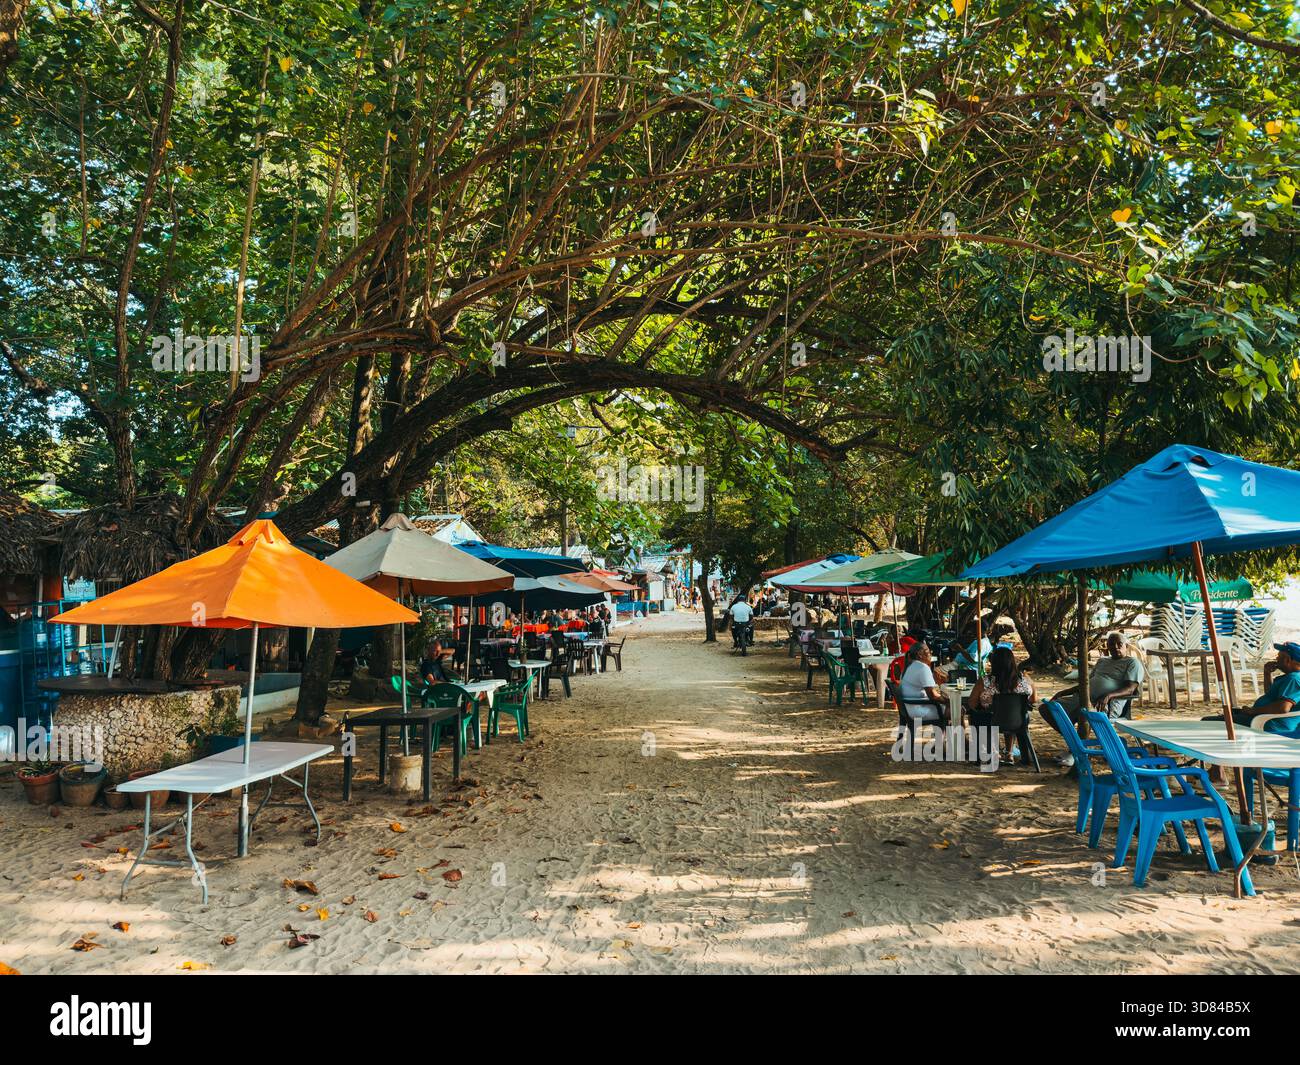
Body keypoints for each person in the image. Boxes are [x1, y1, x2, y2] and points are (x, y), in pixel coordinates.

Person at [1039, 632, 1144, 767]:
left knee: (1083, 713)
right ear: (1107, 647)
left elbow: (1130, 688)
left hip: (1107, 704)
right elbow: (1087, 683)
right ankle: (1076, 744)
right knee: (1048, 708)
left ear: (1126, 646)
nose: (1116, 647)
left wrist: (1108, 695)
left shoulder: (1132, 663)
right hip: (1082, 697)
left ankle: (1076, 752)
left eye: (1119, 644)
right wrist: (1065, 691)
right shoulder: (1103, 661)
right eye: (1112, 644)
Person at [1202, 641, 1300, 731]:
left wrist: (1252, 711)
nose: (1276, 659)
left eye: (1279, 656)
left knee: (1207, 722)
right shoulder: (1289, 677)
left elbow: (1282, 708)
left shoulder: (1293, 679)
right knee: (1226, 715)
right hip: (1263, 718)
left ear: (1287, 660)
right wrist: (1267, 674)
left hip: (1270, 723)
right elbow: (1270, 695)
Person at [966, 645, 1036, 762]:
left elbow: (972, 703)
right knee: (1010, 713)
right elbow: (1033, 699)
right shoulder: (1025, 680)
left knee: (977, 715)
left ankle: (992, 751)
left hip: (991, 721)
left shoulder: (984, 681)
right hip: (1018, 721)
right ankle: (1009, 753)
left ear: (993, 663)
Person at [898, 642, 949, 726]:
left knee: (950, 707)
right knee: (957, 710)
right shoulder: (922, 667)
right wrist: (948, 701)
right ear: (920, 654)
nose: (930, 654)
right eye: (928, 651)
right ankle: (961, 738)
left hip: (910, 708)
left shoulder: (909, 666)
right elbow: (932, 695)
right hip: (919, 710)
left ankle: (945, 736)